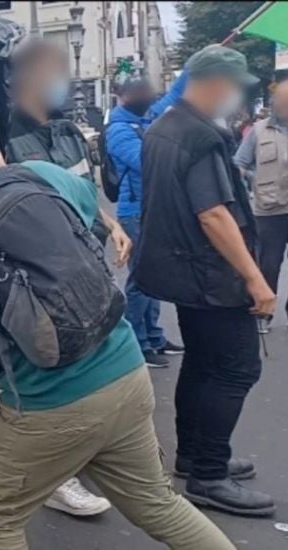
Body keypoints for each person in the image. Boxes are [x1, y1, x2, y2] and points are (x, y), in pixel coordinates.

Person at [0, 108, 234, 550]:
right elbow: (87, 201)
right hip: (124, 369)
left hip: (53, 405)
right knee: (157, 502)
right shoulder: (36, 175)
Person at [135, 45, 275, 517]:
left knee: (202, 363)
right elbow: (214, 214)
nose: (237, 98)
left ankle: (194, 456)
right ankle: (208, 474)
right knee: (236, 369)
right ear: (214, 83)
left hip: (183, 271)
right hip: (210, 274)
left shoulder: (163, 127)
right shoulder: (198, 135)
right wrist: (256, 280)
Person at [0, 37, 133, 516]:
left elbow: (82, 188)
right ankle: (59, 477)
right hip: (46, 270)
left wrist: (113, 225)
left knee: (95, 352)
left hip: (88, 258)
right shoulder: (5, 135)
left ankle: (89, 454)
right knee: (59, 365)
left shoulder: (69, 132)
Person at [106, 75, 189, 367]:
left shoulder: (144, 118)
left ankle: (154, 336)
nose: (150, 99)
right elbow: (147, 162)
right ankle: (137, 344)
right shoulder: (118, 130)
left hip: (152, 209)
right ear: (123, 97)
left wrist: (195, 65)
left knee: (154, 277)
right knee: (141, 279)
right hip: (135, 212)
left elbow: (174, 96)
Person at [234, 78, 288, 334]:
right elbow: (239, 163)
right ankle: (264, 313)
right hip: (269, 209)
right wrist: (255, 179)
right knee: (268, 264)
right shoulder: (258, 131)